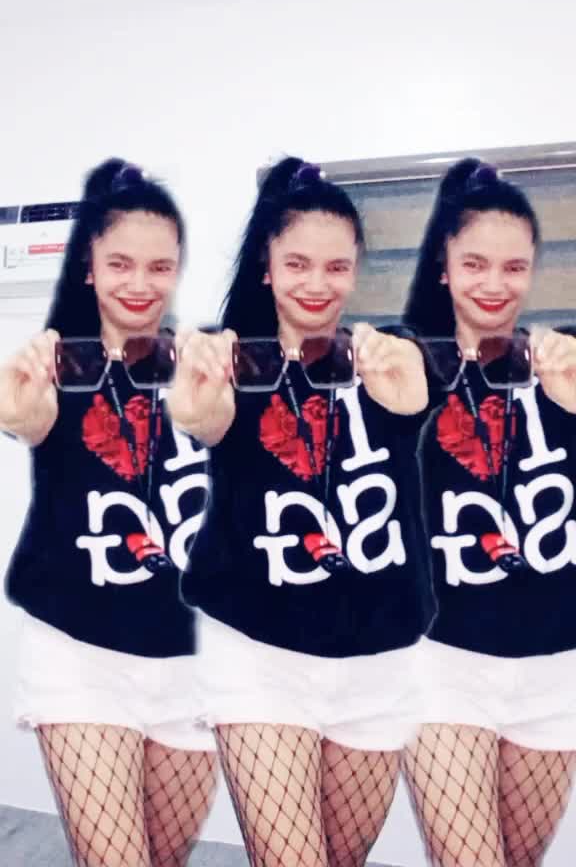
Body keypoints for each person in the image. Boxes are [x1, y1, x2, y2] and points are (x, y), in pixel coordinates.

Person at [167, 157, 436, 867]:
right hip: (259, 657)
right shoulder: (234, 363)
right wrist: (195, 394)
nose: (318, 284)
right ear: (267, 268)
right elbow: (203, 418)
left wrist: (405, 391)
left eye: (336, 267)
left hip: (380, 655)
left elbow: (421, 401)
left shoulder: (388, 358)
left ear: (355, 270)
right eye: (297, 264)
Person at [1, 159, 218, 867]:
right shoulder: (56, 367)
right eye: (120, 263)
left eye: (159, 266)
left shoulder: (205, 364)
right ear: (89, 268)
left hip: (197, 657)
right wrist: (18, 402)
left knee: (164, 855)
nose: (139, 283)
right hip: (80, 654)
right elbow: (22, 417)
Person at [403, 158, 576, 867]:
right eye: (474, 264)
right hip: (441, 662)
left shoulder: (564, 361)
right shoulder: (405, 368)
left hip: (557, 661)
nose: (494, 284)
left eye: (513, 267)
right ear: (443, 268)